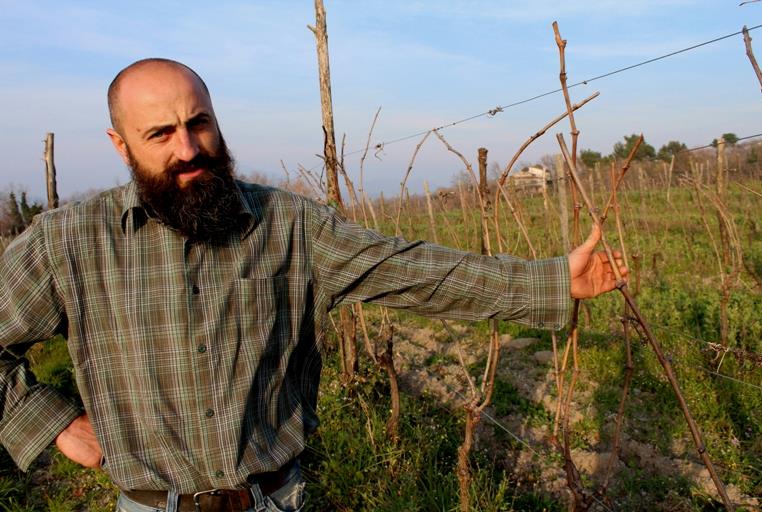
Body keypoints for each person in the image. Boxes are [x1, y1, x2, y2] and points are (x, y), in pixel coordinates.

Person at [0, 58, 626, 512]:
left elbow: (411, 271)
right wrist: (51, 421)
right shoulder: (68, 242)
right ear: (120, 145)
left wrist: (548, 280)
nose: (188, 148)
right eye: (160, 134)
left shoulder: (288, 224)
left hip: (276, 501)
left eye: (199, 123)